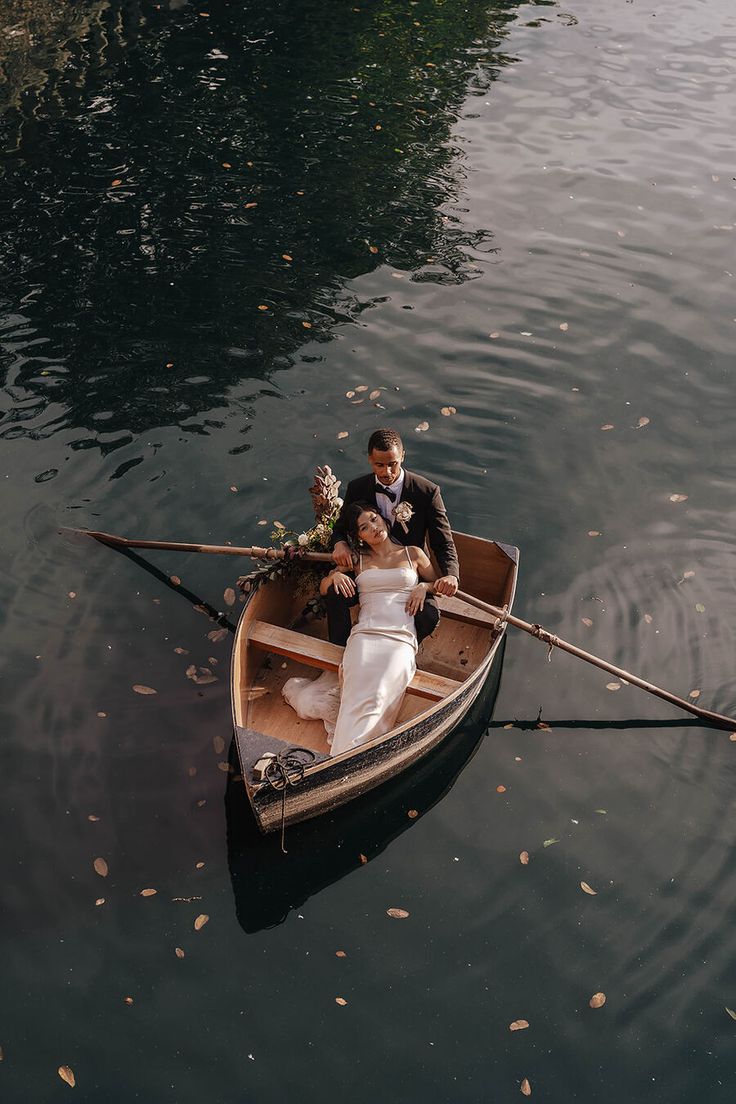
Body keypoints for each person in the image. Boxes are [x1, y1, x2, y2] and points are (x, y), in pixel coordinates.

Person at [319, 502, 438, 755]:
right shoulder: (358, 559)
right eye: (364, 527)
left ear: (383, 519)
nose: (373, 528)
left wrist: (423, 587)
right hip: (365, 635)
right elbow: (324, 588)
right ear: (358, 536)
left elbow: (437, 583)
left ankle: (355, 751)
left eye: (374, 519)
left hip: (400, 638)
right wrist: (335, 576)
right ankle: (344, 753)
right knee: (354, 692)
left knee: (381, 692)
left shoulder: (413, 553)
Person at [326, 427, 459, 648]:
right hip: (369, 568)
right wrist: (339, 543)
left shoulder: (427, 491)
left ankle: (404, 648)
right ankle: (339, 650)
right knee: (335, 592)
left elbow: (443, 542)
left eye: (393, 464)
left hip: (408, 574)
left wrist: (451, 576)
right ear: (370, 460)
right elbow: (341, 527)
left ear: (402, 456)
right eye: (379, 465)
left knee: (428, 615)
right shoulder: (358, 487)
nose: (387, 472)